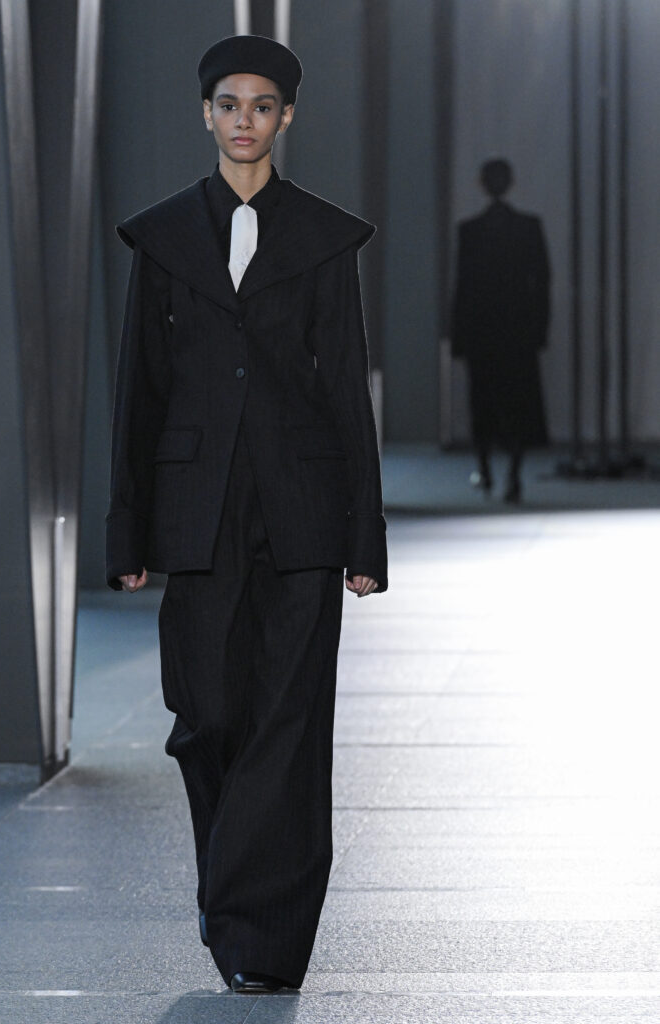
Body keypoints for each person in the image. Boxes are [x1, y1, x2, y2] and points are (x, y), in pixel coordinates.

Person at [105, 34, 387, 994]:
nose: (243, 120)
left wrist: (362, 537)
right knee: (209, 714)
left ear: (285, 117)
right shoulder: (162, 237)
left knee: (291, 721)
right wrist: (128, 533)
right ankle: (231, 889)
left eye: (262, 105)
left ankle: (261, 941)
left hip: (302, 511)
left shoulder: (323, 237)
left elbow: (345, 387)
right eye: (228, 104)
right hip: (196, 512)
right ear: (206, 114)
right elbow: (139, 391)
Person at [450, 158, 550, 503]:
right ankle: (513, 475)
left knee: (483, 402)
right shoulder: (528, 227)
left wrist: (459, 335)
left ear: (482, 184)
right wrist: (540, 328)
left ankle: (486, 470)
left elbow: (463, 288)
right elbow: (542, 283)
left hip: (483, 331)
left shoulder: (470, 230)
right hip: (517, 331)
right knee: (517, 403)